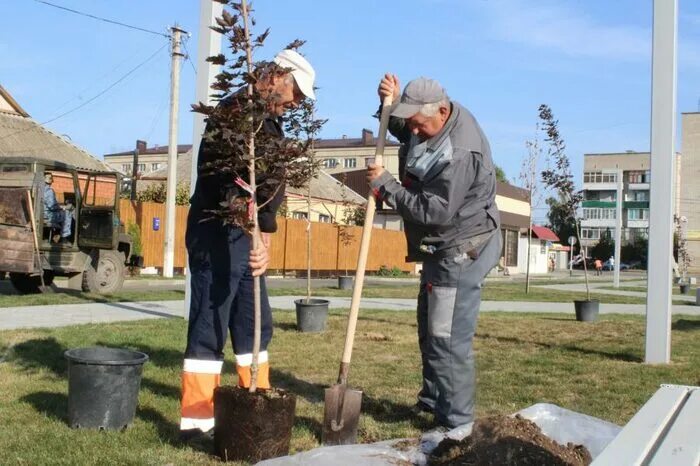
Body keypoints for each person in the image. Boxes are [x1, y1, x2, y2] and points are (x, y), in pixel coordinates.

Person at [179, 49, 316, 440]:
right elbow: (226, 183)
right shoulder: (235, 113)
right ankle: (197, 421)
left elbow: (270, 185)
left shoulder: (272, 123)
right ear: (275, 78)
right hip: (216, 232)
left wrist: (265, 239)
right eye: (296, 94)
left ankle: (251, 398)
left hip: (248, 236)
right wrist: (251, 225)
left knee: (255, 321)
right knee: (210, 323)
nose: (296, 104)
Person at [367, 74, 501, 428]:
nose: (412, 132)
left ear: (441, 111)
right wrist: (390, 102)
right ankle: (432, 400)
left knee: (446, 339)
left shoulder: (458, 152)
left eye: (418, 124)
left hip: (460, 249)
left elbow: (435, 211)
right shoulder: (434, 121)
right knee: (429, 330)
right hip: (439, 247)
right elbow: (403, 126)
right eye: (410, 123)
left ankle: (456, 425)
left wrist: (385, 186)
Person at [42, 172, 72, 246]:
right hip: (48, 215)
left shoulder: (39, 189)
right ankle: (64, 238)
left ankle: (57, 234)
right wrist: (62, 207)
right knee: (67, 214)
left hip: (42, 213)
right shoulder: (48, 191)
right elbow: (52, 206)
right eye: (51, 179)